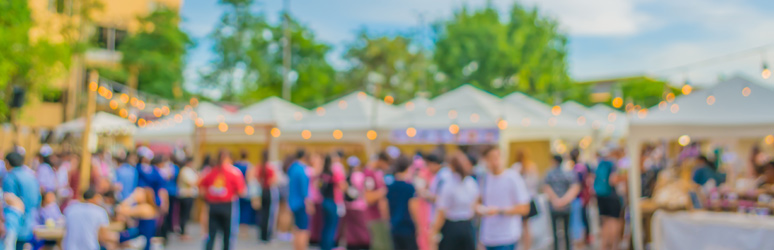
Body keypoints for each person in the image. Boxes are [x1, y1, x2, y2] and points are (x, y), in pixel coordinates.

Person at [478, 146, 531, 250]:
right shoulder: (484, 178)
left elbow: (525, 208)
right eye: (490, 158)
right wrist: (479, 209)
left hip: (507, 236)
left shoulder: (513, 177)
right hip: (488, 236)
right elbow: (477, 202)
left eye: (496, 157)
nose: (494, 161)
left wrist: (499, 211)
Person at [199, 150, 247, 250]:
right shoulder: (234, 172)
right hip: (227, 205)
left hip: (213, 205)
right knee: (227, 234)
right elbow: (242, 192)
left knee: (211, 234)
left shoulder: (210, 171)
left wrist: (210, 196)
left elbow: (201, 187)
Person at [432, 152, 478, 250]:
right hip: (467, 226)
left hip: (452, 227)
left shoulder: (448, 184)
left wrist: (434, 231)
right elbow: (475, 203)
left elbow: (442, 211)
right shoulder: (471, 182)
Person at [4, 152, 41, 250]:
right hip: (30, 221)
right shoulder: (31, 176)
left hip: (14, 222)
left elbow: (9, 199)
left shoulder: (11, 176)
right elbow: (38, 200)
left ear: (7, 163)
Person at [543, 155, 580, 250]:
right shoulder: (568, 172)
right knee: (567, 231)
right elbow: (574, 188)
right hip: (566, 206)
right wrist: (564, 200)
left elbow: (546, 187)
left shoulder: (549, 173)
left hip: (554, 206)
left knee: (555, 233)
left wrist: (556, 200)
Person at [386, 155, 420, 250]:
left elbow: (385, 206)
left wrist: (388, 221)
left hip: (394, 226)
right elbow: (413, 208)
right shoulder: (409, 187)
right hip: (407, 227)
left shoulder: (390, 186)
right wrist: (418, 226)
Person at [594, 148, 625, 250]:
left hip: (601, 196)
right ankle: (613, 246)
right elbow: (613, 180)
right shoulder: (615, 164)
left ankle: (604, 246)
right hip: (611, 195)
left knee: (605, 222)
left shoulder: (601, 163)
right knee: (614, 221)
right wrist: (624, 178)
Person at [511, 149, 540, 250]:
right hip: (529, 198)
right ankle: (526, 247)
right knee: (527, 226)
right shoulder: (530, 167)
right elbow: (536, 182)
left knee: (523, 226)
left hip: (522, 200)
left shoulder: (515, 168)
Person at [364, 152, 392, 250]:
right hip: (374, 217)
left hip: (380, 216)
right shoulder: (369, 174)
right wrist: (382, 192)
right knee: (380, 245)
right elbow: (368, 197)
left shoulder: (377, 173)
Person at [319, 154, 346, 250]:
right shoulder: (336, 170)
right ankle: (329, 247)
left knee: (326, 226)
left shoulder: (324, 172)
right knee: (332, 227)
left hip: (325, 200)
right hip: (333, 201)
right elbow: (342, 185)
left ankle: (324, 246)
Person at [287, 149, 312, 250]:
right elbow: (304, 189)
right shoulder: (303, 169)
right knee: (303, 229)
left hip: (293, 201)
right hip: (301, 203)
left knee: (297, 227)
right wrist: (309, 203)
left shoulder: (292, 167)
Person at [252, 150, 277, 243]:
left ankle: (261, 234)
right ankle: (266, 235)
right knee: (267, 215)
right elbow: (273, 180)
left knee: (261, 214)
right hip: (267, 191)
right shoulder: (269, 168)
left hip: (261, 191)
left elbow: (255, 178)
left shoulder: (259, 167)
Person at [159, 155, 179, 242]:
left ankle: (165, 231)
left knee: (166, 213)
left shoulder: (171, 168)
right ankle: (164, 231)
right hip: (167, 192)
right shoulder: (166, 169)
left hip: (168, 192)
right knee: (165, 213)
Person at [177, 157, 198, 241]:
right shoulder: (185, 171)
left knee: (186, 214)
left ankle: (183, 232)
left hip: (189, 195)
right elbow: (191, 182)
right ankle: (183, 233)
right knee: (184, 215)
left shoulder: (190, 170)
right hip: (186, 195)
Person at [234, 150, 255, 228]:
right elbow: (249, 179)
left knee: (237, 208)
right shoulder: (249, 166)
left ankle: (236, 225)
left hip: (237, 190)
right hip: (245, 189)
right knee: (245, 209)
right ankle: (244, 227)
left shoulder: (236, 165)